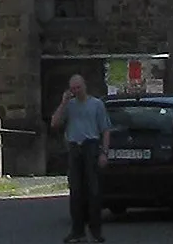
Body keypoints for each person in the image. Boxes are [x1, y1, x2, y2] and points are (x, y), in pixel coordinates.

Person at [50, 72, 110, 242]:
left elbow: (105, 130)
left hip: (91, 147)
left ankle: (96, 230)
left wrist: (104, 153)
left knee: (93, 191)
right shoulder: (69, 106)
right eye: (73, 88)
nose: (76, 91)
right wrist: (63, 102)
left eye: (78, 87)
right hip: (75, 148)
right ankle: (77, 230)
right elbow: (54, 123)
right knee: (76, 191)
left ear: (84, 87)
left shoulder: (97, 105)